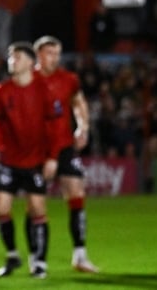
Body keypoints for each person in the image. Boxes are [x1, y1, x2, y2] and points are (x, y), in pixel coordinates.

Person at [0, 41, 60, 279]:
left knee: (37, 208)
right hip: (9, 159)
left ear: (29, 61)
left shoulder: (44, 89)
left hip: (36, 160)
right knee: (1, 208)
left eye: (16, 57)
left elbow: (55, 126)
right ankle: (13, 255)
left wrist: (52, 158)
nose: (12, 61)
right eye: (10, 57)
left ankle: (39, 262)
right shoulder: (1, 90)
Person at [33, 35, 100, 273]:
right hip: (36, 149)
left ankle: (80, 255)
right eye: (49, 53)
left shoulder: (68, 79)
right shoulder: (28, 80)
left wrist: (83, 127)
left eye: (57, 53)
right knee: (35, 203)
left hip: (64, 146)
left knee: (76, 191)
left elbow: (79, 103)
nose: (54, 58)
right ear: (39, 54)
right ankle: (36, 258)